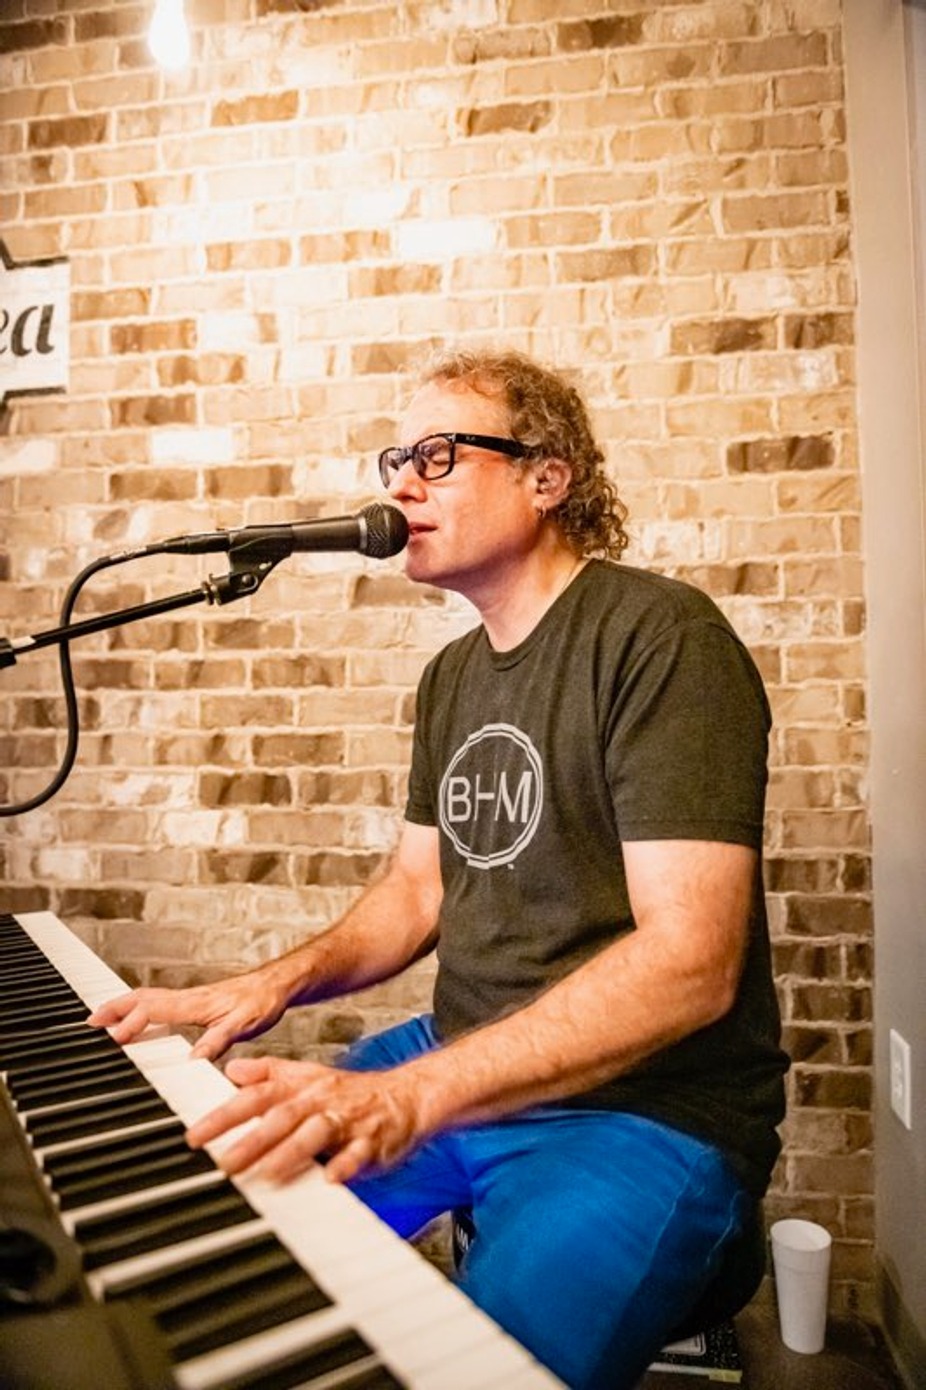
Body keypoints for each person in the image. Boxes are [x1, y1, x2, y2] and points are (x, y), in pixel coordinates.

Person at [89, 348, 788, 1390]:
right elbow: (416, 894)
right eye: (396, 459)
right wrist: (269, 982)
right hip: (460, 1056)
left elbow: (691, 962)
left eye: (438, 455)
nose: (401, 484)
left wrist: (410, 1098)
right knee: (208, 1233)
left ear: (546, 478)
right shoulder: (453, 675)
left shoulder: (660, 636)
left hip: (645, 1112)